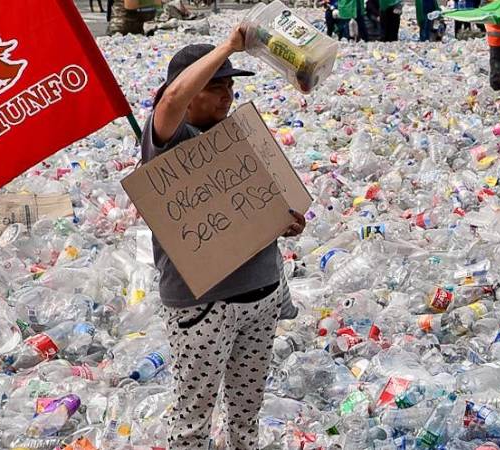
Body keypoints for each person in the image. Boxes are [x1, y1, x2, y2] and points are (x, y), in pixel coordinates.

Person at [142, 31, 306, 450]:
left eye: (231, 87)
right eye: (216, 88)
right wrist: (228, 48)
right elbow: (170, 102)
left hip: (262, 296)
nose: (227, 97)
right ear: (191, 92)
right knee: (193, 423)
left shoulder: (237, 136)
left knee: (246, 418)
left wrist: (285, 222)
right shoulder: (170, 143)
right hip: (205, 308)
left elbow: (263, 204)